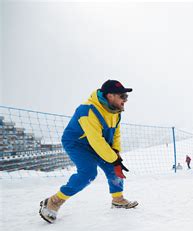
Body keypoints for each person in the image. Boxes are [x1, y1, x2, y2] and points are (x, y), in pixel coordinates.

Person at [39, 80, 138, 223]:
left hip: (98, 143)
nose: (125, 100)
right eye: (122, 96)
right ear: (110, 96)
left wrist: (115, 152)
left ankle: (118, 199)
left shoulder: (115, 111)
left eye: (126, 97)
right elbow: (95, 139)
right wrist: (113, 158)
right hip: (77, 143)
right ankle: (53, 202)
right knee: (88, 173)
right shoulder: (88, 110)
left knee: (114, 167)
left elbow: (116, 133)